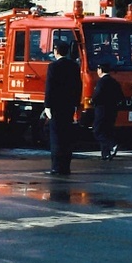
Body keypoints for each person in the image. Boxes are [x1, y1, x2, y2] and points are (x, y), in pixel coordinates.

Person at [43, 41, 83, 175]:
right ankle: (66, 167)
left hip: (56, 106)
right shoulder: (74, 66)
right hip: (69, 106)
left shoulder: (53, 67)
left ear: (56, 51)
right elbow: (78, 87)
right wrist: (76, 104)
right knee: (67, 137)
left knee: (56, 138)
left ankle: (56, 167)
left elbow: (50, 88)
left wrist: (47, 106)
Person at [92, 63, 125, 160]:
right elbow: (121, 96)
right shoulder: (114, 82)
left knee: (97, 131)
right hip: (112, 110)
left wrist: (93, 101)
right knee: (107, 131)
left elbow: (96, 95)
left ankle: (112, 144)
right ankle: (106, 154)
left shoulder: (101, 82)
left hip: (101, 109)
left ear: (101, 70)